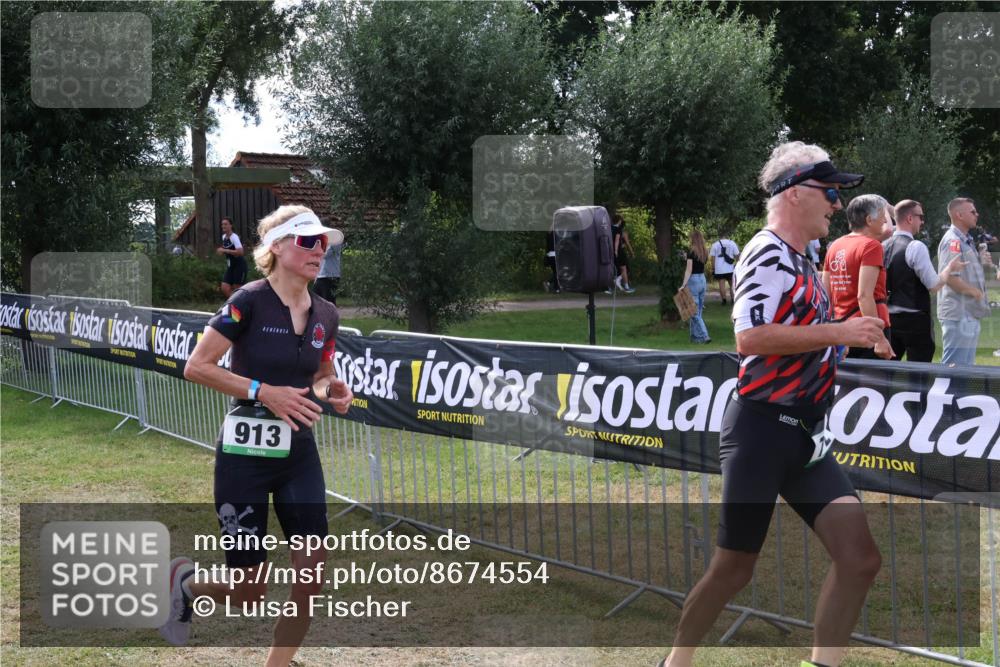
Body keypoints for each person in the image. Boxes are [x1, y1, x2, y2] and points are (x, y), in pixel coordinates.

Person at [660, 142, 886, 667]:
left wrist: (853, 335)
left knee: (859, 559)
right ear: (796, 194)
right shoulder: (764, 252)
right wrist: (840, 329)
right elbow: (751, 339)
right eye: (829, 193)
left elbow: (805, 333)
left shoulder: (802, 258)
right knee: (733, 568)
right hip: (761, 431)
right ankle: (675, 662)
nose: (835, 204)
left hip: (804, 437)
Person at [160, 205, 353, 666]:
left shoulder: (326, 312)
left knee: (310, 577)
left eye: (323, 242)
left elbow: (322, 372)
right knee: (249, 591)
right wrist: (264, 392)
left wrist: (333, 389)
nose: (319, 250)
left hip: (299, 454)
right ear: (278, 247)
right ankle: (184, 584)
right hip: (243, 457)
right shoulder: (247, 300)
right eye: (309, 241)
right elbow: (197, 366)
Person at [883, 200, 965, 362]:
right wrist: (949, 269)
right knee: (919, 376)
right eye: (920, 216)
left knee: (887, 373)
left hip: (888, 319)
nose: (922, 221)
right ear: (909, 218)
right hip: (915, 320)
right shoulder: (915, 246)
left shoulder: (882, 245)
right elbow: (934, 285)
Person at [821, 194, 895, 360]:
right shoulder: (871, 246)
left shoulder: (835, 246)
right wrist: (880, 338)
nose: (884, 222)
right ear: (869, 220)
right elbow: (864, 295)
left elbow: (826, 294)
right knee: (875, 384)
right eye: (883, 217)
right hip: (868, 328)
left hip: (841, 328)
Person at [937, 197, 990, 365]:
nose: (977, 214)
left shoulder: (964, 239)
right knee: (954, 368)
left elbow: (964, 270)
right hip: (959, 313)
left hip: (967, 312)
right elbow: (950, 278)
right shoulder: (953, 240)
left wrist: (980, 260)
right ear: (959, 215)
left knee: (965, 368)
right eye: (973, 212)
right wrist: (976, 293)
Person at [679, 229, 710, 344]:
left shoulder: (691, 251)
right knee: (699, 309)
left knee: (693, 312)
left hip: (694, 280)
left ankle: (704, 335)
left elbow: (689, 270)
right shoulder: (704, 251)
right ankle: (695, 337)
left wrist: (683, 284)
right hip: (702, 279)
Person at [216, 216, 248, 299]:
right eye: (222, 224)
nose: (223, 226)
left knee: (237, 289)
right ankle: (234, 305)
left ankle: (241, 307)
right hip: (230, 266)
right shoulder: (223, 237)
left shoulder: (234, 237)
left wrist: (225, 251)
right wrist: (221, 251)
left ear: (231, 226)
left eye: (226, 224)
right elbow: (227, 248)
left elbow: (241, 252)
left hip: (239, 265)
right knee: (225, 287)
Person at [708, 234, 740, 305]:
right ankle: (733, 299)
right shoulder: (732, 243)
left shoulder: (715, 244)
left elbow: (712, 258)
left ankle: (724, 300)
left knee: (721, 284)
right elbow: (737, 255)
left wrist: (713, 268)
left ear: (719, 236)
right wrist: (737, 265)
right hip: (730, 268)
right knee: (732, 285)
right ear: (727, 236)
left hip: (719, 269)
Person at [611, 213, 636, 293]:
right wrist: (616, 250)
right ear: (619, 221)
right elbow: (617, 241)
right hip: (619, 251)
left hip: (610, 251)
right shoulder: (619, 230)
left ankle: (612, 286)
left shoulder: (609, 228)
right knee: (624, 269)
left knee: (615, 269)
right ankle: (625, 286)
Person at [314, 238, 343, 305]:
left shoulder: (336, 242)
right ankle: (319, 315)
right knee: (315, 302)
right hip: (320, 276)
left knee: (328, 302)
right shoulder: (321, 242)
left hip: (331, 276)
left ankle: (331, 315)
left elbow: (325, 255)